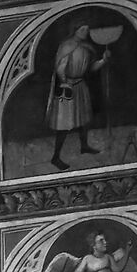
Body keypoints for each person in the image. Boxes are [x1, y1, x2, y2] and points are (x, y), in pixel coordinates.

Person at [46, 23, 108, 169]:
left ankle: (84, 146)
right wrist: (65, 82)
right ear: (75, 30)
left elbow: (90, 68)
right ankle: (56, 157)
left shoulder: (86, 48)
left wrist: (103, 60)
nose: (85, 32)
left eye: (87, 29)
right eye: (82, 29)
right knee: (64, 124)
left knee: (84, 118)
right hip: (68, 87)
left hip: (80, 85)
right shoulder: (67, 46)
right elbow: (60, 66)